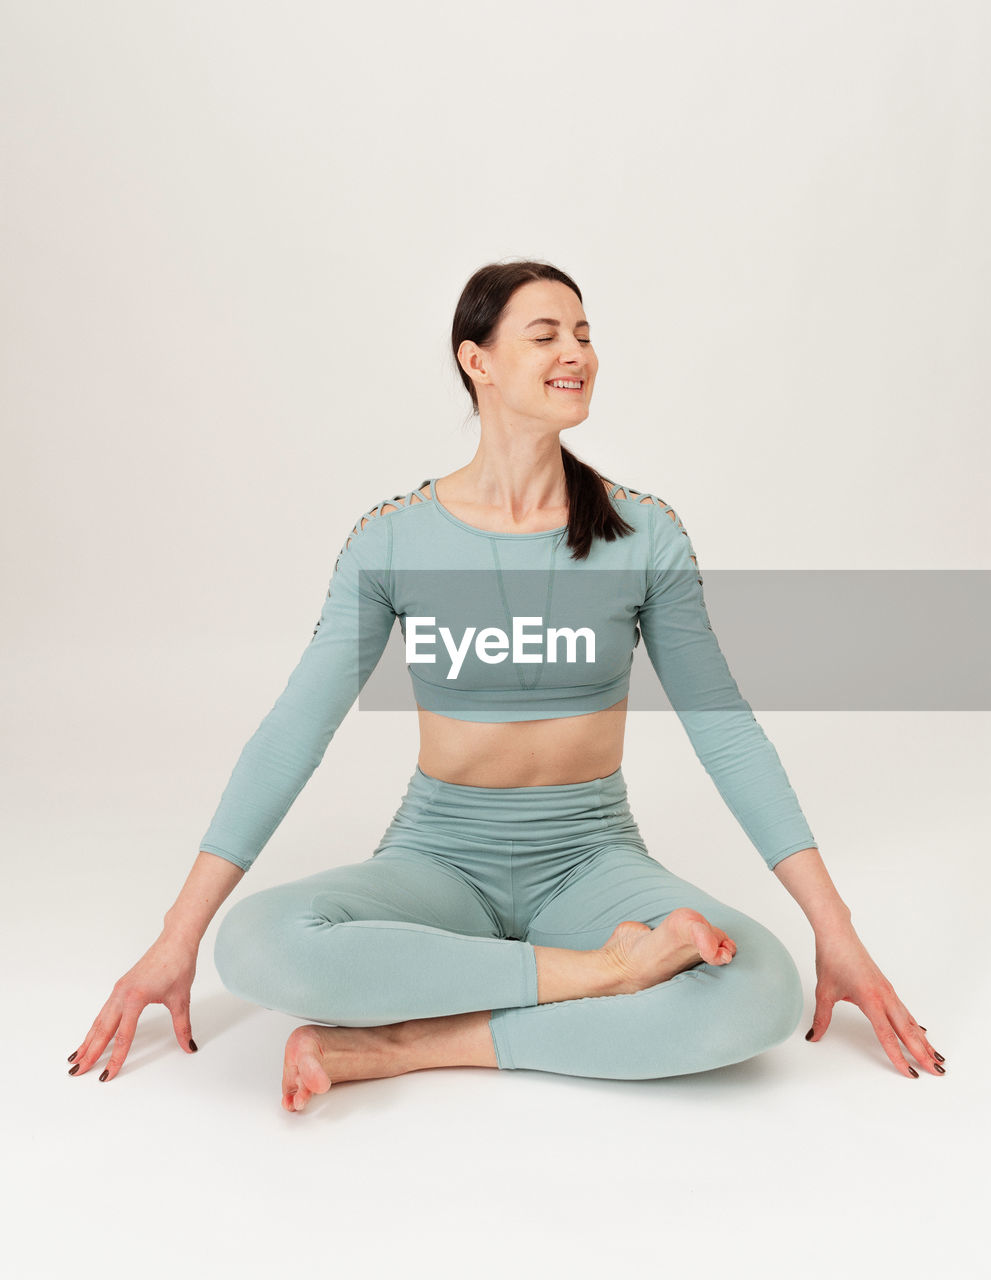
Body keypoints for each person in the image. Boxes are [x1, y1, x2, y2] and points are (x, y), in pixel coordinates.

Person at [67, 261, 944, 1109]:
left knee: (760, 989)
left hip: (591, 859)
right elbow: (296, 729)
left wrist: (838, 931)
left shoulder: (644, 535)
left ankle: (409, 1046)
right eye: (546, 335)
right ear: (476, 360)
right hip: (439, 858)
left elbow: (727, 732)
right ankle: (605, 974)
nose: (577, 352)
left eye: (586, 334)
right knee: (258, 944)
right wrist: (174, 939)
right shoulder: (393, 541)